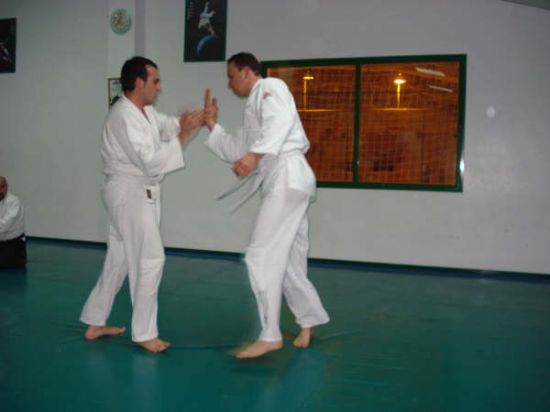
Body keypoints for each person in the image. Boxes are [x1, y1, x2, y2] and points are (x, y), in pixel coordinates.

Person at [203, 52, 330, 358]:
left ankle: (270, 334)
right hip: (288, 180)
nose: (230, 84)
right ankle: (308, 321)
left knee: (260, 255)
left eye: (232, 76)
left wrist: (255, 156)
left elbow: (281, 123)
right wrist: (212, 125)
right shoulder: (253, 106)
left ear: (247, 71)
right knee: (289, 259)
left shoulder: (270, 87)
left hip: (287, 176)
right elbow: (239, 148)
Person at [80, 56, 204, 353]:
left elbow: (167, 126)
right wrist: (185, 134)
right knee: (151, 258)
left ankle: (95, 320)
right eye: (156, 81)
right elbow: (149, 162)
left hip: (134, 192)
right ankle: (144, 332)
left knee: (119, 259)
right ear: (139, 82)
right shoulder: (122, 116)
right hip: (129, 191)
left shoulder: (144, 111)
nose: (159, 88)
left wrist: (189, 123)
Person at [0, 176, 27, 269]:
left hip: (13, 244)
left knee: (5, 263)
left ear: (7, 187)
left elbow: (5, 224)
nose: (0, 190)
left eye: (2, 187)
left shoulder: (14, 201)